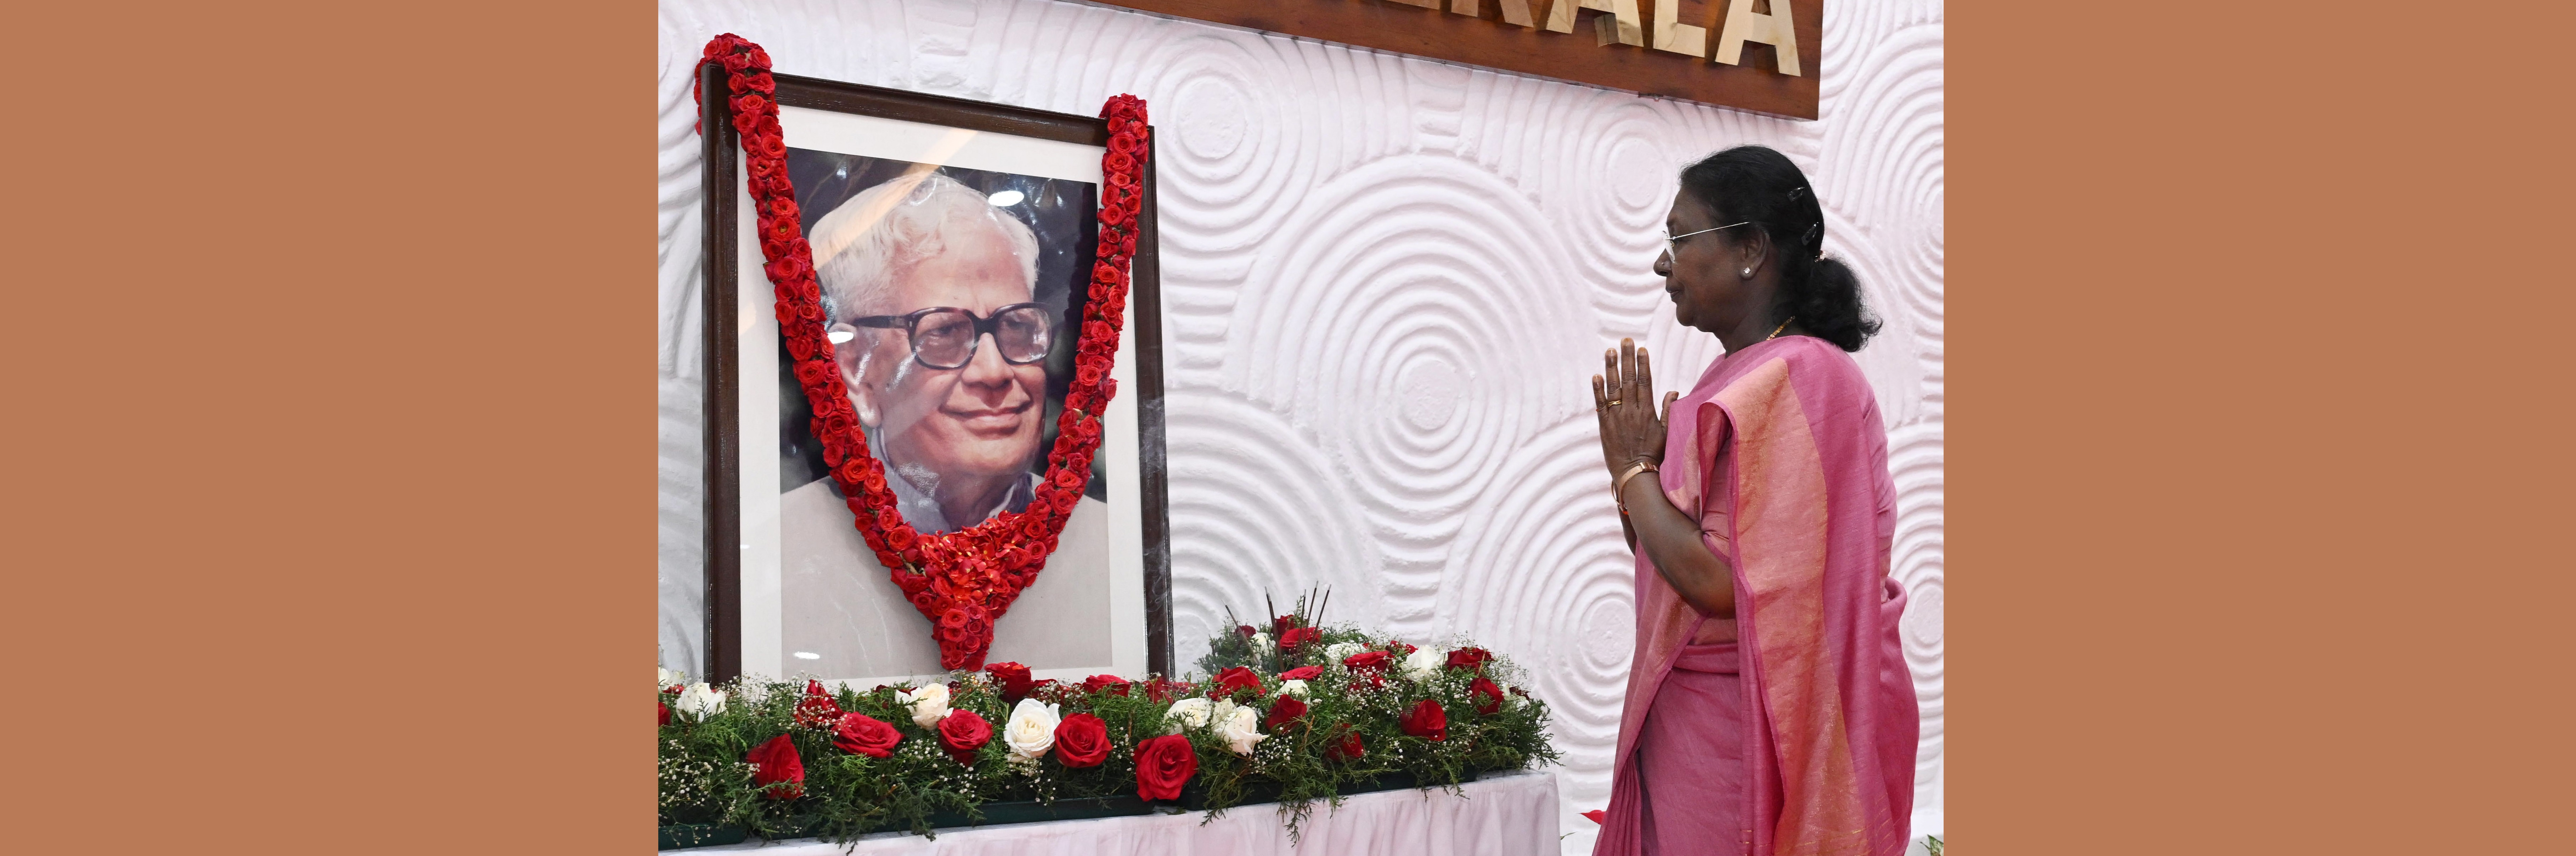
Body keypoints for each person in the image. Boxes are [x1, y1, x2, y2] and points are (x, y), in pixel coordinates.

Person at [1589, 146, 1918, 856]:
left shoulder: (1808, 376)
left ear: (1750, 249)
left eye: (1682, 238)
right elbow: (1676, 568)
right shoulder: (1740, 373)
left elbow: (1720, 584)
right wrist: (1641, 484)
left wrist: (1631, 471)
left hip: (1752, 742)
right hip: (1697, 730)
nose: (1663, 262)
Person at [778, 171, 1110, 680]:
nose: (996, 371)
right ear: (857, 372)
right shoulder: (778, 553)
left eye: (1018, 326)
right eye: (945, 333)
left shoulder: (1114, 551)